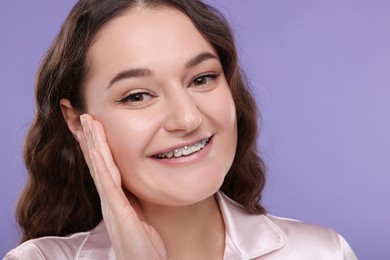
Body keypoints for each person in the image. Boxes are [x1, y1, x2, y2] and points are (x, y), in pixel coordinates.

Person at [4, 0, 357, 259]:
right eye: (138, 95)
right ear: (76, 121)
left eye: (202, 78)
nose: (188, 119)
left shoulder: (320, 252)